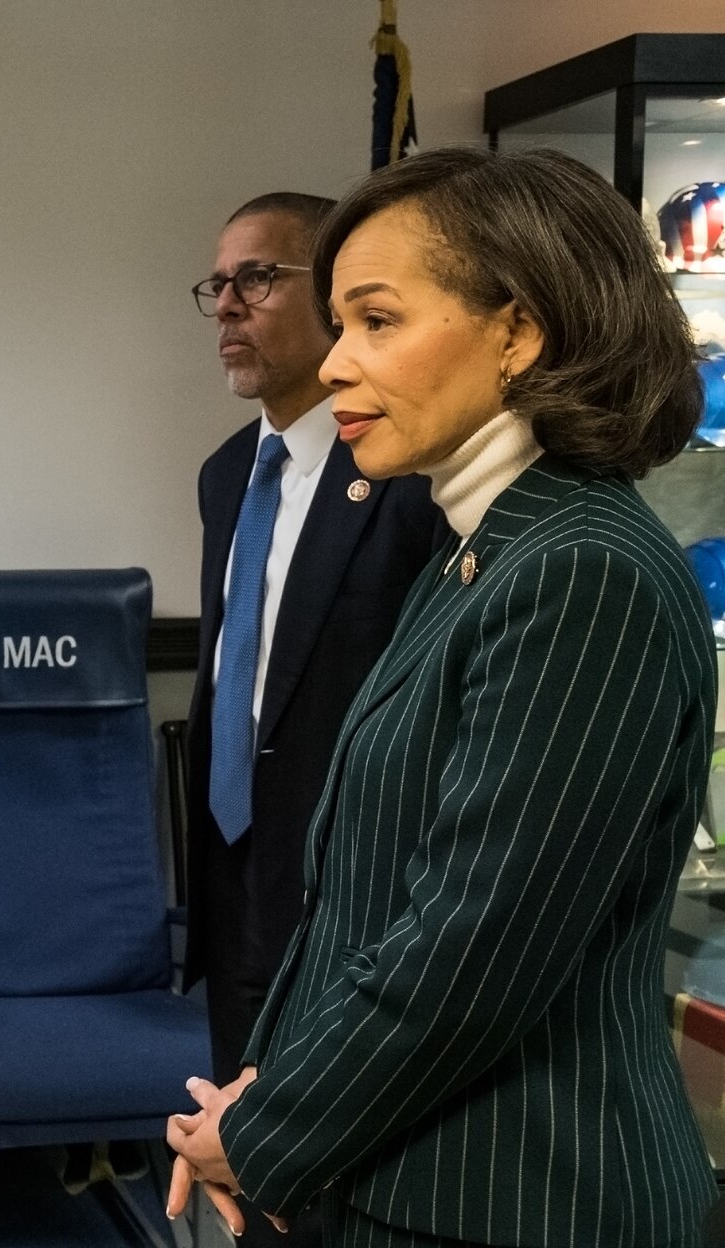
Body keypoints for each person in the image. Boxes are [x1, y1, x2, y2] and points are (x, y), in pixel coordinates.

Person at [167, 146, 716, 1247]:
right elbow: (376, 897)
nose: (332, 365)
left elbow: (471, 946)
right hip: (419, 1174)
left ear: (516, 332)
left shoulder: (576, 571)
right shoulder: (480, 551)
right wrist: (262, 1088)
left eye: (375, 320)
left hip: (521, 1196)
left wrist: (268, 1127)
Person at [185, 192, 447, 1248]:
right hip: (233, 866)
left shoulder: (405, 481)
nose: (226, 308)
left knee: (332, 1178)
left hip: (352, 896)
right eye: (216, 285)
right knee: (240, 1169)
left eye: (257, 279)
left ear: (335, 302)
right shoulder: (221, 478)